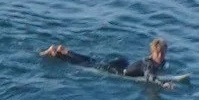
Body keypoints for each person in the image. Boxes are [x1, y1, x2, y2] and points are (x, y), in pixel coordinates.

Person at [39, 37, 173, 81]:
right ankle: (56, 53)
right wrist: (163, 83)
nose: (161, 56)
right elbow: (150, 76)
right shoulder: (148, 65)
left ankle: (65, 50)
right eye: (159, 53)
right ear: (153, 52)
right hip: (115, 69)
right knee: (87, 64)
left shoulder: (157, 61)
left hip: (123, 63)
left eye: (163, 53)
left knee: (91, 61)